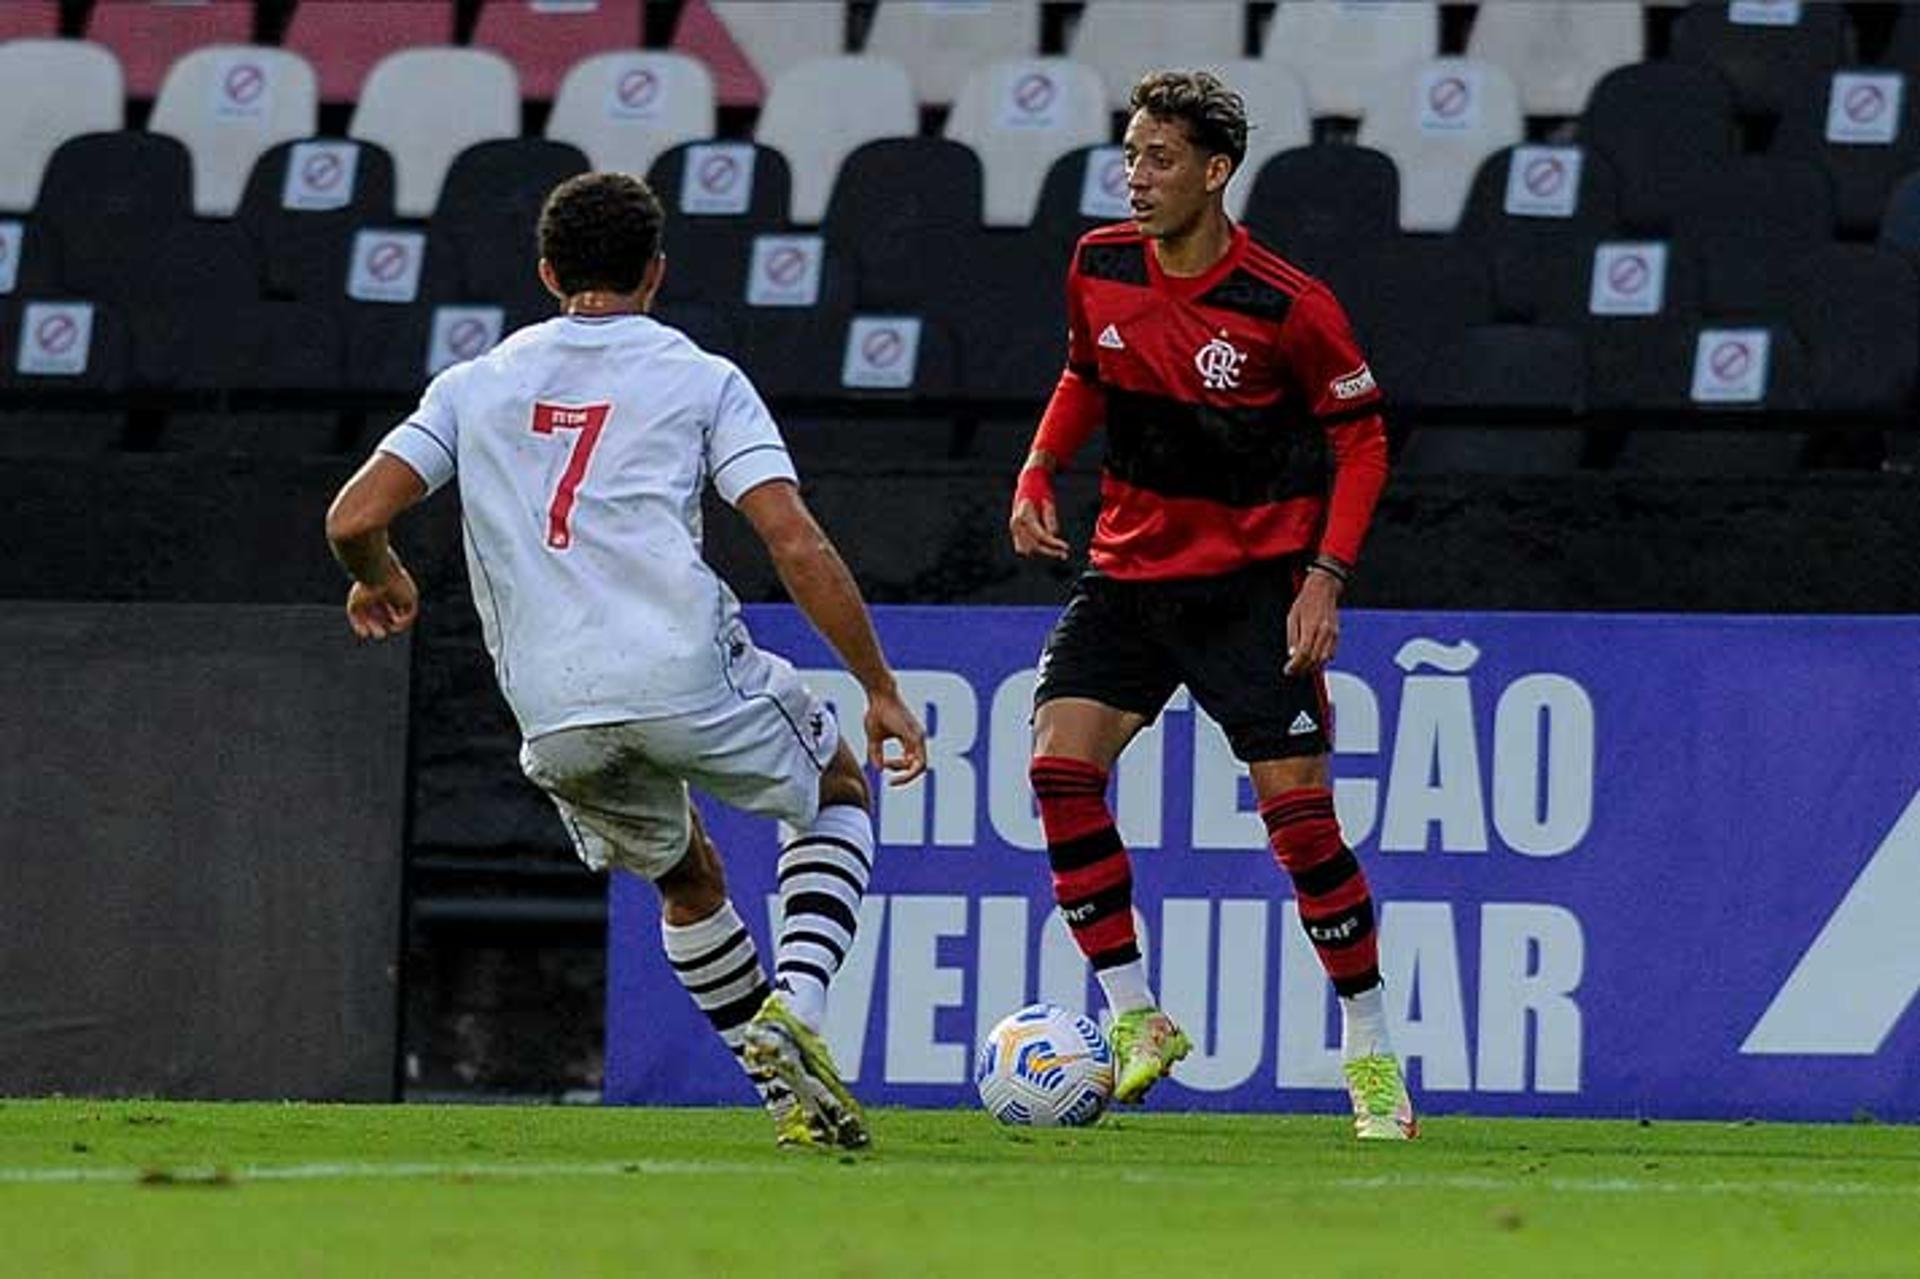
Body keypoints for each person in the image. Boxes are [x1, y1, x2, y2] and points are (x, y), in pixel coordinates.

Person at [325, 172, 927, 1151]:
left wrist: (379, 574)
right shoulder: (700, 376)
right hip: (680, 665)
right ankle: (799, 1007)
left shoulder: (472, 384)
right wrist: (879, 686)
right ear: (656, 271)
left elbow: (354, 516)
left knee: (687, 879)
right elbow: (794, 541)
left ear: (548, 271)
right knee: (835, 787)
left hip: (553, 711)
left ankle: (785, 1098)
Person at [1008, 71, 1415, 1140]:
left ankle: (1370, 1051)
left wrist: (1325, 577)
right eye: (1131, 155)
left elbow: (1362, 437)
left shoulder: (1287, 303)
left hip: (1250, 590)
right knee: (1059, 767)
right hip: (1129, 576)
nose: (1136, 178)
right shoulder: (1097, 263)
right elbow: (1083, 371)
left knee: (1301, 826)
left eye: (1159, 159)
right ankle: (1139, 1018)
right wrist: (1040, 466)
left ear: (1216, 170)